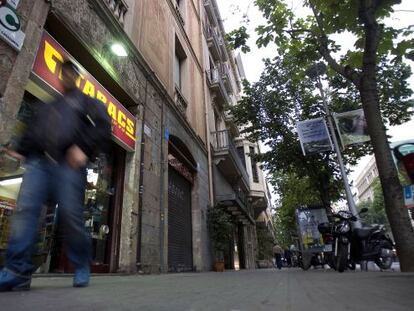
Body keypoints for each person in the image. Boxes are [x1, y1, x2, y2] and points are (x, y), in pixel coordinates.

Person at [0, 60, 111, 291]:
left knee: (71, 215)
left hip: (68, 165)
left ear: (78, 78)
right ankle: (17, 271)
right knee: (26, 211)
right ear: (60, 75)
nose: (68, 76)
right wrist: (20, 148)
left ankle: (81, 264)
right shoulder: (48, 106)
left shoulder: (86, 102)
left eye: (73, 73)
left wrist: (85, 148)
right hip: (39, 162)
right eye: (65, 72)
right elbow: (33, 130)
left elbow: (102, 125)